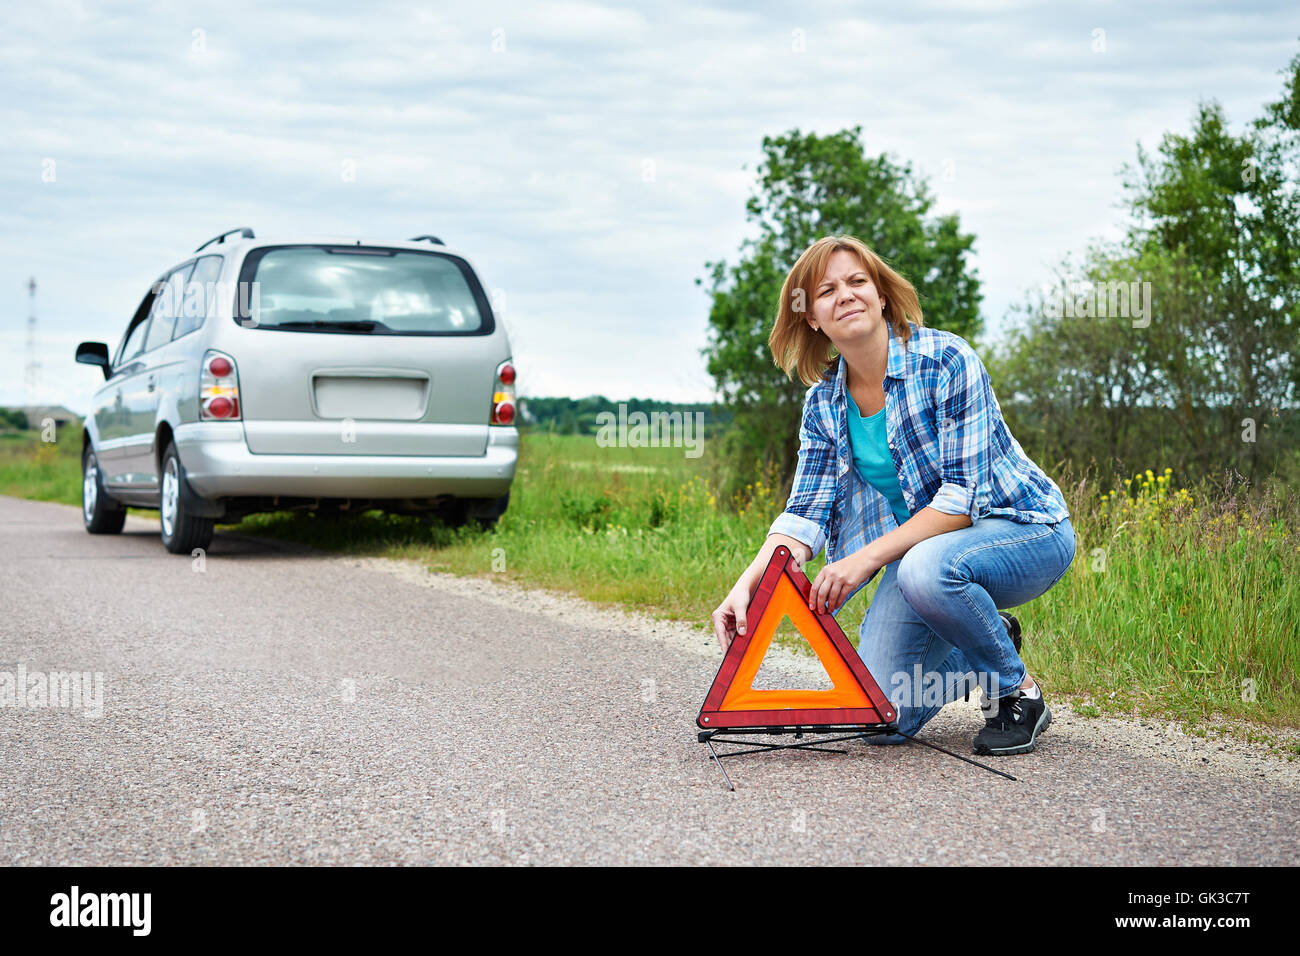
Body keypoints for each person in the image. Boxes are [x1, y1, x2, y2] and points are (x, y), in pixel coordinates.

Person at [710, 235, 1076, 756]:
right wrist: (750, 585)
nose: (846, 295)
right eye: (826, 290)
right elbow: (804, 514)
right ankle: (987, 639)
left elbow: (963, 498)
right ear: (811, 316)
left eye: (858, 282)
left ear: (881, 294)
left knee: (923, 569)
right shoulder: (822, 405)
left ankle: (1016, 691)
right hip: (922, 557)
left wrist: (863, 560)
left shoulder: (946, 359)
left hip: (1025, 533)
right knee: (879, 715)